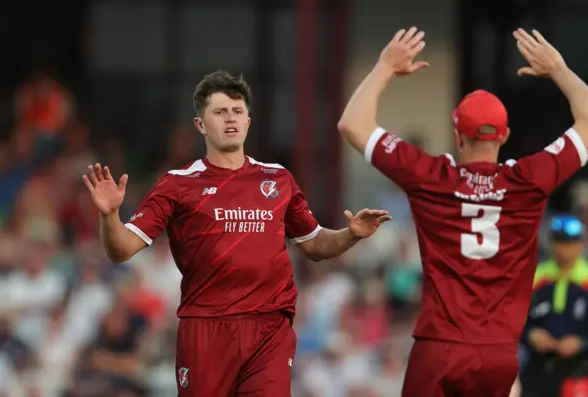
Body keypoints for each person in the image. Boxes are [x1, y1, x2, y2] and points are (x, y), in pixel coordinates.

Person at [337, 26, 588, 397]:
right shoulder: (529, 179)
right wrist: (559, 69)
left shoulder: (431, 176)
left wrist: (386, 66)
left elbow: (352, 124)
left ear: (456, 136)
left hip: (440, 346)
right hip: (498, 354)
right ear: (504, 135)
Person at [82, 70, 391, 396]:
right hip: (207, 327)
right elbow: (121, 249)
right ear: (201, 124)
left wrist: (351, 233)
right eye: (219, 112)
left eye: (237, 111)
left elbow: (314, 244)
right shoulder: (178, 184)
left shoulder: (278, 179)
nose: (230, 119)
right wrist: (110, 216)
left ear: (248, 121)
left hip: (269, 327)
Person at [521, 214, 588, 397]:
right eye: (559, 241)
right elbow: (511, 321)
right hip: (536, 370)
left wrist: (582, 343)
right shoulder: (534, 278)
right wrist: (529, 334)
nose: (564, 248)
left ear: (582, 244)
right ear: (551, 243)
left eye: (570, 242)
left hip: (577, 372)